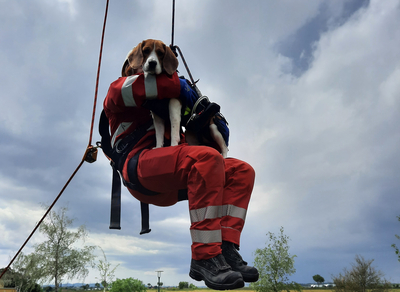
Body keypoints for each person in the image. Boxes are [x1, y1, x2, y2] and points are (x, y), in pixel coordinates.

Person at [103, 46, 259, 290]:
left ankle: (225, 248)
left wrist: (203, 123)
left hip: (173, 178)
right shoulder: (118, 91)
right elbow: (167, 86)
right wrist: (178, 81)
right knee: (205, 159)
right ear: (130, 67)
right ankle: (205, 256)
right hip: (139, 166)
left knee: (241, 171)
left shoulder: (162, 105)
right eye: (139, 61)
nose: (144, 65)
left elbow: (192, 148)